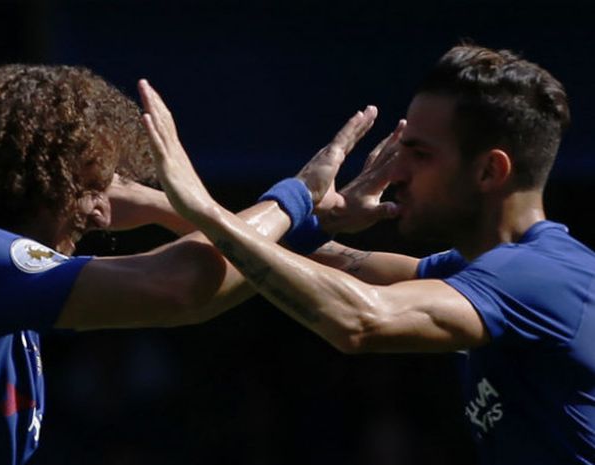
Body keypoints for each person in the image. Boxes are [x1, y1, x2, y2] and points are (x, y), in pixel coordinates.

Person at [0, 64, 385, 464]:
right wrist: (296, 196)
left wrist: (297, 222)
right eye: (89, 187)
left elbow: (222, 262)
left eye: (108, 187)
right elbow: (182, 286)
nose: (102, 212)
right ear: (32, 179)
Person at [140, 44, 595, 465]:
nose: (394, 169)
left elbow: (359, 318)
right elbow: (337, 263)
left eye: (419, 154)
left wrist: (200, 205)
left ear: (490, 170)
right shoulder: (478, 270)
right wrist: (159, 205)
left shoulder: (538, 276)